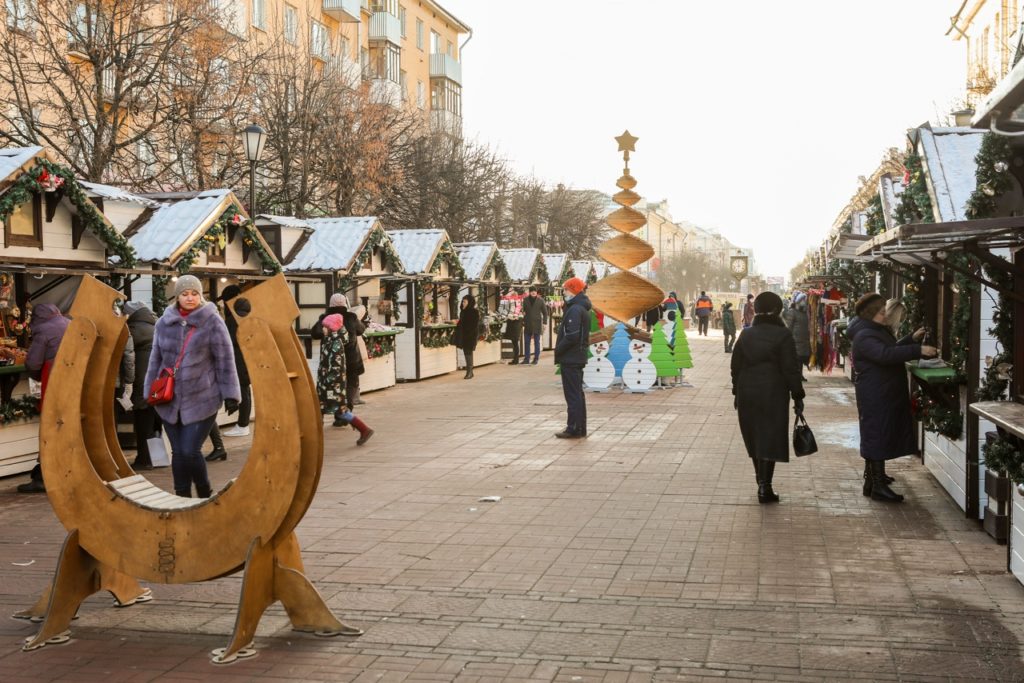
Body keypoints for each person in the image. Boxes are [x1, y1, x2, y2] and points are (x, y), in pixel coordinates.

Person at [145, 275, 240, 498]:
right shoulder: (163, 322)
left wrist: (231, 394)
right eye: (185, 294)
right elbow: (155, 359)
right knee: (178, 453)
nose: (190, 298)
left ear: (201, 296)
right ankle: (182, 498)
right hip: (169, 399)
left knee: (189, 450)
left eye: (194, 293)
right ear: (177, 296)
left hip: (203, 398)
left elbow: (225, 358)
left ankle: (205, 493)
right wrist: (148, 389)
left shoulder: (213, 321)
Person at [850, 293, 937, 502]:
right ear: (870, 314)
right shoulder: (865, 335)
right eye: (881, 313)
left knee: (876, 433)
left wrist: (910, 339)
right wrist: (918, 349)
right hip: (876, 392)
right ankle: (877, 485)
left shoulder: (871, 330)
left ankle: (872, 482)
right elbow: (884, 355)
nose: (884, 316)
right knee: (877, 434)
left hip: (880, 390)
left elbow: (890, 349)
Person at [731, 292, 806, 504]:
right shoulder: (783, 335)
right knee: (769, 437)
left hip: (748, 391)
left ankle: (761, 483)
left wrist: (737, 391)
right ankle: (765, 486)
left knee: (754, 436)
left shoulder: (746, 335)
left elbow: (735, 366)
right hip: (773, 392)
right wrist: (797, 395)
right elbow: (790, 369)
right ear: (777, 310)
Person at [17, 303, 71, 493]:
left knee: (49, 426)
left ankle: (42, 475)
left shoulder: (43, 330)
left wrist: (32, 370)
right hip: (72, 382)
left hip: (54, 381)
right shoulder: (68, 323)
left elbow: (33, 362)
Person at [316, 313, 374, 445]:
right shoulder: (329, 340)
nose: (322, 329)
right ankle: (315, 436)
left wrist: (330, 383)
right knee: (320, 409)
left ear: (332, 328)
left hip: (332, 385)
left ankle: (364, 429)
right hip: (326, 384)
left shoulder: (335, 343)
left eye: (325, 327)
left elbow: (336, 367)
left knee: (340, 410)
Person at [311, 293, 367, 407]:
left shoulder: (325, 318)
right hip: (351, 359)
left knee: (333, 385)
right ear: (344, 304)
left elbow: (315, 333)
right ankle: (348, 407)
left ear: (331, 304)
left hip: (332, 361)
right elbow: (361, 330)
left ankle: (336, 409)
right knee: (351, 383)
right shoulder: (351, 317)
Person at [124, 301, 160, 470]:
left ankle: (144, 459)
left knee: (143, 421)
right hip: (159, 381)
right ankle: (159, 459)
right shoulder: (155, 325)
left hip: (143, 381)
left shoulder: (133, 329)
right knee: (155, 421)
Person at [554, 277, 591, 439]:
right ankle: (580, 426)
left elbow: (572, 335)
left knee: (573, 395)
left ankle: (573, 427)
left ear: (574, 290)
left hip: (571, 357)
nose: (564, 293)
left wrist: (559, 350)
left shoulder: (575, 309)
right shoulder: (580, 308)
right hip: (577, 357)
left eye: (566, 290)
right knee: (577, 393)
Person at [219, 285, 252, 437]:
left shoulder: (233, 320)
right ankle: (243, 424)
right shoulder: (250, 319)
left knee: (243, 393)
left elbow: (228, 341)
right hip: (248, 359)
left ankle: (242, 424)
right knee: (246, 392)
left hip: (237, 360)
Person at [782, 292, 811, 381]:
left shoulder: (804, 312)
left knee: (801, 358)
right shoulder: (792, 312)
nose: (804, 302)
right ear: (797, 301)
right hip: (795, 339)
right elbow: (789, 326)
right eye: (802, 300)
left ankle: (800, 375)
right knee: (797, 359)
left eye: (804, 300)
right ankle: (796, 376)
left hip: (803, 339)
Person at [453, 293, 480, 379]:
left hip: (470, 336)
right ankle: (470, 372)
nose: (462, 303)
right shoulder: (463, 311)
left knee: (468, 353)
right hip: (464, 335)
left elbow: (473, 325)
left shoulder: (474, 312)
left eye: (464, 302)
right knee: (467, 353)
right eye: (462, 302)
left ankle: (469, 372)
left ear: (469, 302)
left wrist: (468, 333)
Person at [522, 287, 548, 365]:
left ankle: (536, 359)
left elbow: (545, 313)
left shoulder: (541, 300)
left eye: (534, 291)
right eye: (532, 291)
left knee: (537, 342)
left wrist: (545, 323)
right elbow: (522, 310)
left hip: (537, 324)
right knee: (526, 342)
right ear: (529, 292)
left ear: (536, 292)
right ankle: (527, 359)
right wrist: (522, 315)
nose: (533, 292)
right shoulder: (525, 300)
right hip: (528, 323)